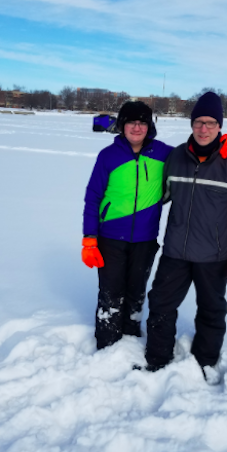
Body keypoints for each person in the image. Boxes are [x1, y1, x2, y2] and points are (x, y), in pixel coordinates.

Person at [141, 91, 227, 384]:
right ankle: (158, 360)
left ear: (220, 126)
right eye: (198, 122)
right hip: (176, 252)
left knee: (211, 310)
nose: (203, 129)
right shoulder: (176, 156)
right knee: (160, 305)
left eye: (210, 123)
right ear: (191, 124)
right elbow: (157, 193)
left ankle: (205, 362)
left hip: (215, 255)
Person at [82, 101, 173, 350]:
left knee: (136, 294)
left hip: (145, 239)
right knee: (111, 293)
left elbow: (195, 156)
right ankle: (107, 344)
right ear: (122, 125)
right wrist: (89, 237)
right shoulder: (108, 156)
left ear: (150, 126)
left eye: (142, 122)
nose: (137, 127)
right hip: (110, 239)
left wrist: (223, 143)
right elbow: (93, 197)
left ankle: (131, 341)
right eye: (131, 122)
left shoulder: (164, 153)